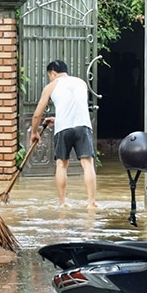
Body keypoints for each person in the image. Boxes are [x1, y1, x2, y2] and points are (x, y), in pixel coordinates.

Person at [30, 59, 97, 209]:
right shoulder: (81, 83)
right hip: (83, 126)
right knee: (87, 164)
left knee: (61, 165)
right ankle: (91, 202)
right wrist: (57, 119)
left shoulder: (51, 87)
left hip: (63, 129)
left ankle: (62, 203)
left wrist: (34, 132)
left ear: (53, 73)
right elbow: (74, 105)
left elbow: (36, 115)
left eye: (49, 75)